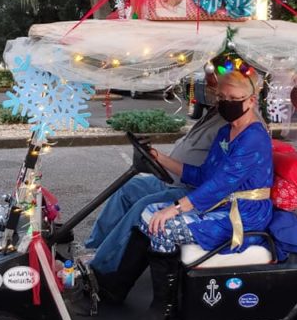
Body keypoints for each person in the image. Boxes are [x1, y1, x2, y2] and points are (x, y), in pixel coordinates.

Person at [92, 67, 274, 320]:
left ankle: (164, 310)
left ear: (251, 100)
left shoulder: (254, 138)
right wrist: (159, 158)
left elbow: (221, 184)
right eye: (221, 97)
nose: (226, 103)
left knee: (163, 223)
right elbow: (203, 175)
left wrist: (176, 208)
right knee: (150, 213)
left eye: (233, 99)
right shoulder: (227, 132)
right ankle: (114, 286)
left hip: (242, 213)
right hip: (221, 204)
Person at [83, 93, 225, 273]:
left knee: (143, 206)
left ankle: (101, 266)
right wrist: (158, 157)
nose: (214, 90)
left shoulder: (236, 125)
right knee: (128, 189)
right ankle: (93, 248)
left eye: (227, 93)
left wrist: (178, 206)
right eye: (218, 90)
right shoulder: (214, 113)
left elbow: (218, 179)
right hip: (174, 179)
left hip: (191, 189)